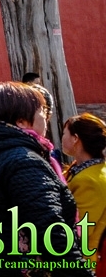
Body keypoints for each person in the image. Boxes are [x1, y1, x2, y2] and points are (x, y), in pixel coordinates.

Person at [0, 82, 90, 275]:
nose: (46, 118)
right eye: (41, 111)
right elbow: (50, 231)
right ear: (21, 121)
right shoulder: (23, 161)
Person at [62, 113, 106, 275]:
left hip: (82, 263)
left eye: (64, 133)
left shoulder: (89, 181)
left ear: (75, 138)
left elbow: (81, 231)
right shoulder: (85, 171)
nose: (62, 138)